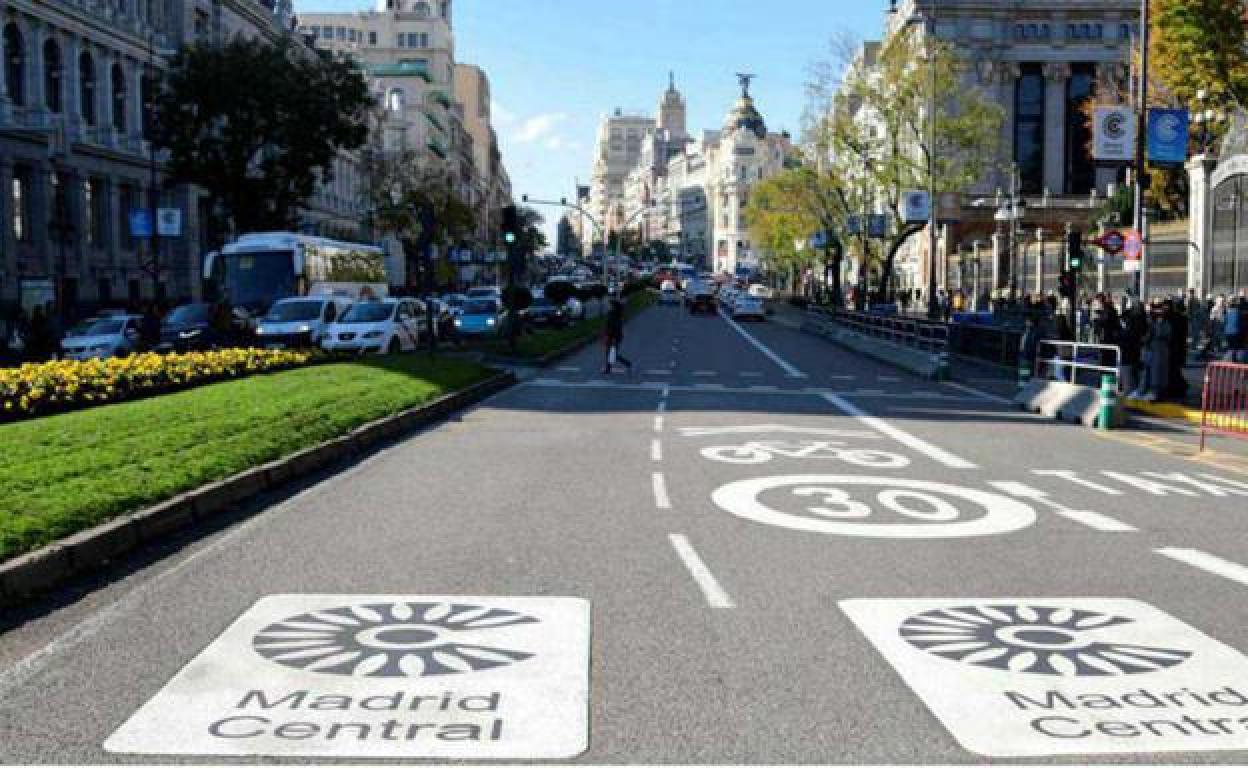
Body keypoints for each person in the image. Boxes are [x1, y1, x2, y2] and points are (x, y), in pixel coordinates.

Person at [602, 296, 632, 375]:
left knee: (610, 353)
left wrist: (611, 336)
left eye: (610, 304)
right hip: (613, 335)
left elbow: (614, 326)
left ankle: (625, 364)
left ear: (613, 306)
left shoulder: (613, 314)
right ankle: (609, 368)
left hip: (613, 336)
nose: (608, 306)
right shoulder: (615, 313)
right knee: (610, 353)